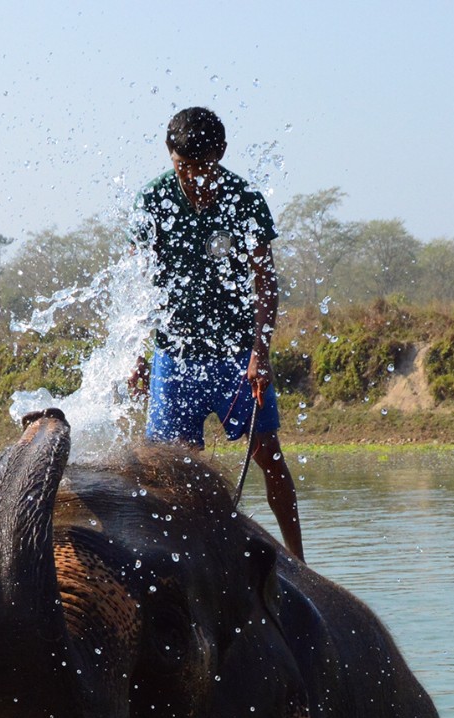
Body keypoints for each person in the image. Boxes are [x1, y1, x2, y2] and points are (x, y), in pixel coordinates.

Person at [127, 106, 304, 560]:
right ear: (170, 156)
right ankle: (181, 566)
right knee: (170, 468)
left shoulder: (244, 200)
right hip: (175, 353)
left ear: (220, 154)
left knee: (267, 453)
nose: (193, 180)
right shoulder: (152, 201)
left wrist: (260, 353)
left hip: (234, 353)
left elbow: (265, 281)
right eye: (183, 168)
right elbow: (137, 286)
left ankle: (300, 561)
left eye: (202, 168)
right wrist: (136, 353)